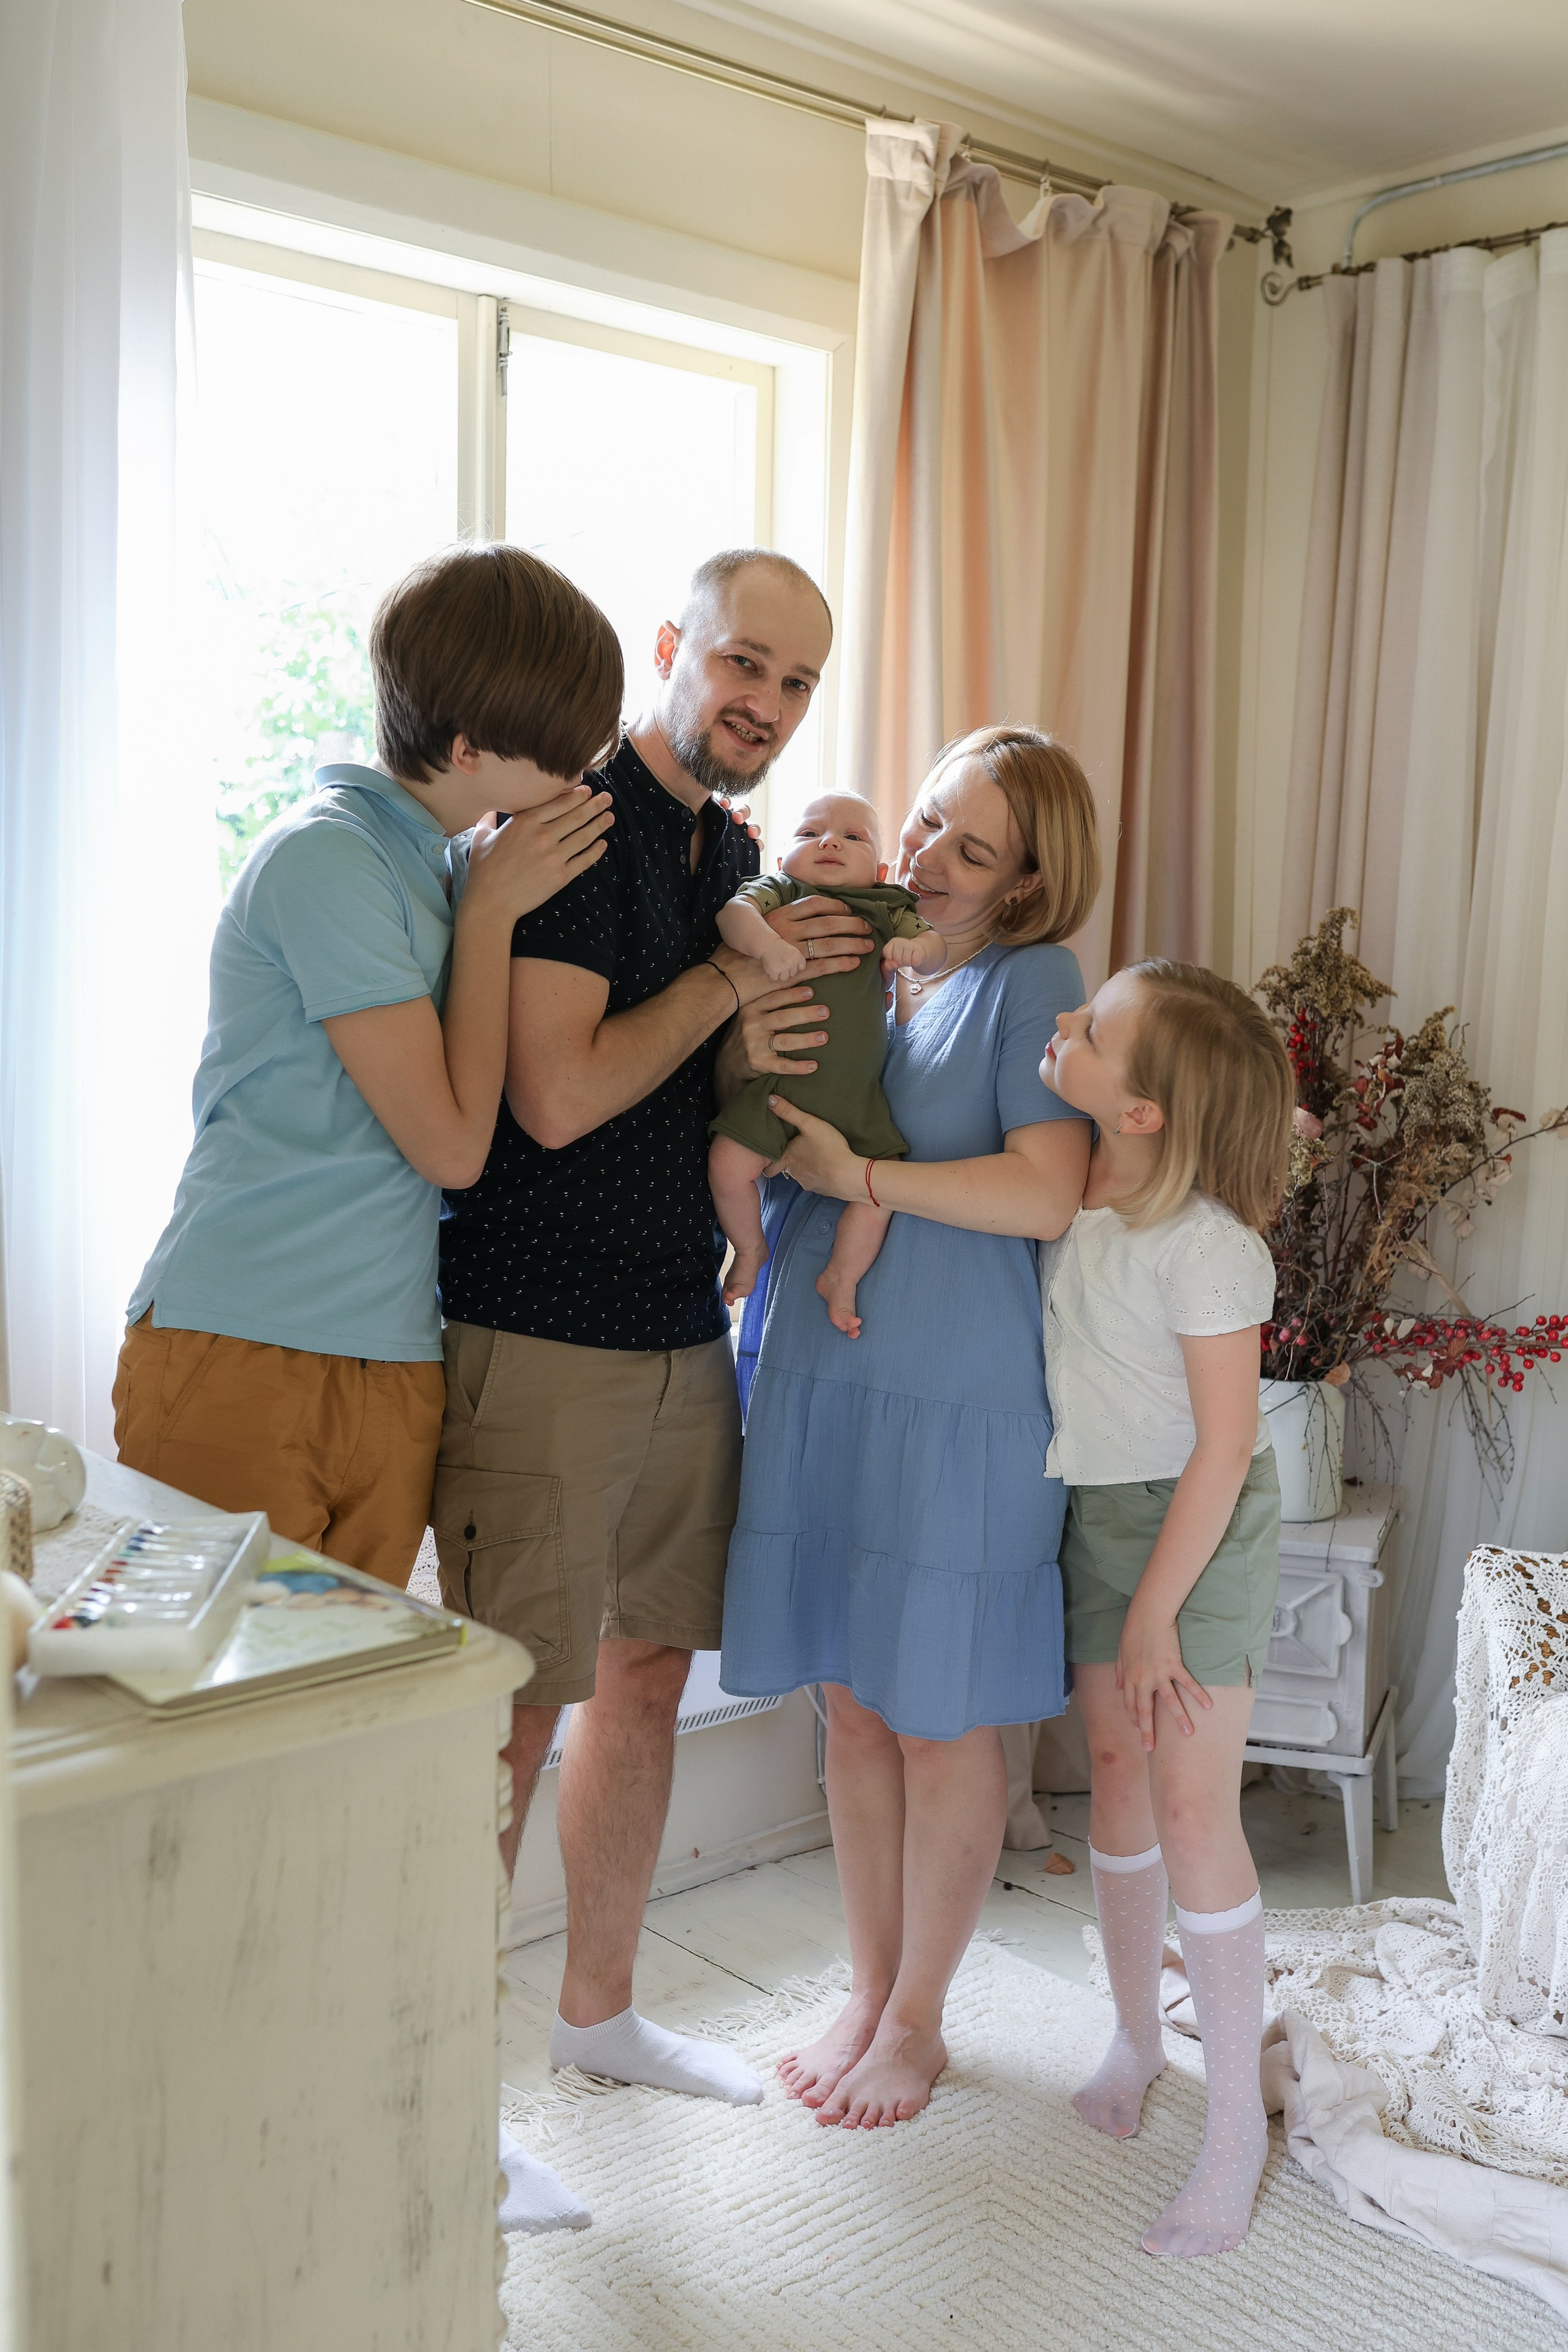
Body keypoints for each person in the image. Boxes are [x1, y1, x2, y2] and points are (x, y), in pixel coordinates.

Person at [431, 548, 870, 2233]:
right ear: (676, 648)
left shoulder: (734, 851)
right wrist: (726, 990)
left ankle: (599, 2015)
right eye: (743, 661)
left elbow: (696, 1079)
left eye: (797, 682)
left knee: (644, 1672)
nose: (762, 701)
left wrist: (761, 1077)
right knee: (513, 1712)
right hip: (539, 1329)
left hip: (679, 1321)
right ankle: (440, 2109)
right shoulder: (581, 828)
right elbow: (552, 1098)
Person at [718, 723, 1101, 2129]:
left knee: (937, 1721)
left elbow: (1044, 1193)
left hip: (954, 1398)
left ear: (1025, 880)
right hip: (828, 1374)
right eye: (930, 820)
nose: (928, 856)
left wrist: (859, 1168)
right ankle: (867, 1985)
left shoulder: (1032, 979)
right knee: (856, 1705)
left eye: (971, 846)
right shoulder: (884, 968)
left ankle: (921, 2021)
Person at [114, 543, 619, 1585]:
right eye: (563, 757)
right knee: (222, 1722)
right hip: (240, 1341)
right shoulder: (328, 857)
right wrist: (487, 918)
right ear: (472, 748)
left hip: (391, 1355)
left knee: (341, 1722)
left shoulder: (439, 863)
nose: (578, 782)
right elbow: (449, 1146)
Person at [1038, 960, 1294, 2258]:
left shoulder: (1210, 1250)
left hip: (1193, 1535)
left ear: (1141, 1111)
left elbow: (1219, 1450)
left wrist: (1151, 1616)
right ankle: (1137, 2031)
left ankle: (1234, 2132)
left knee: (1194, 1809)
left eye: (1092, 1030)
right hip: (1094, 1509)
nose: (1063, 1025)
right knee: (1115, 1777)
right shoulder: (1063, 1191)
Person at [707, 790, 945, 1327]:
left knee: (878, 1189)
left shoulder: (885, 906)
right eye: (809, 834)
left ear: (881, 869)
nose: (829, 841)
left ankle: (842, 1275)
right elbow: (732, 915)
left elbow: (932, 945)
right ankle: (750, 1248)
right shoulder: (781, 892)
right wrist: (768, 946)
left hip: (854, 1100)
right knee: (726, 1166)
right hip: (775, 1091)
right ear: (781, 858)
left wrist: (918, 956)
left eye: (852, 837)